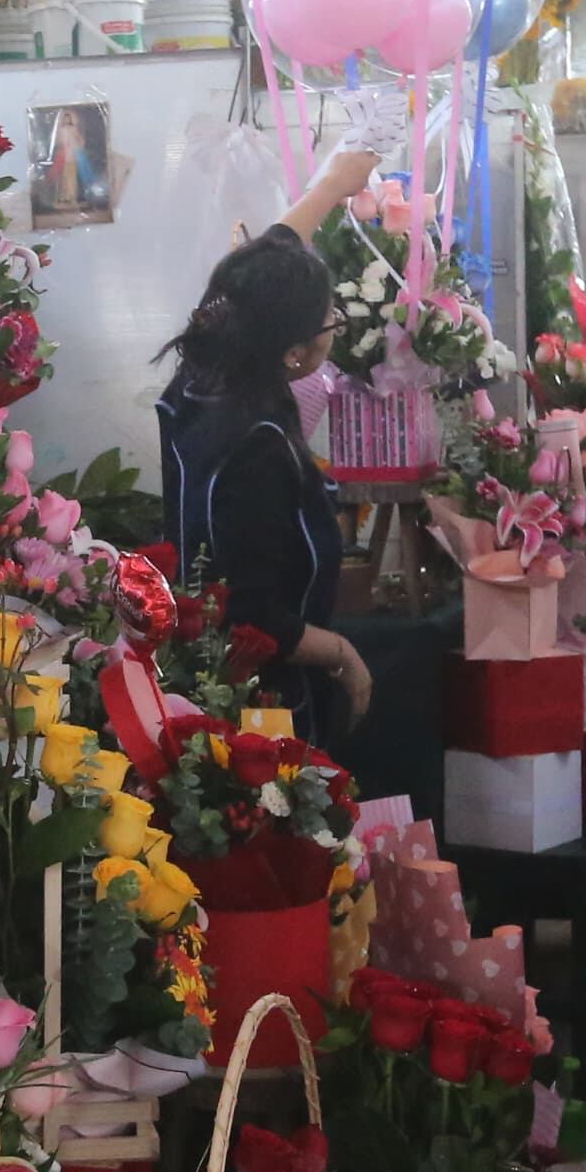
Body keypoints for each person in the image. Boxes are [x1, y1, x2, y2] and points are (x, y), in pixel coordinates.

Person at [156, 148, 381, 745]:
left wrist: (332, 186)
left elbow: (257, 269)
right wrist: (344, 655)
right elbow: (251, 614)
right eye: (329, 321)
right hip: (263, 706)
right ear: (295, 353)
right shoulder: (258, 448)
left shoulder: (197, 383)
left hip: (199, 677)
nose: (334, 324)